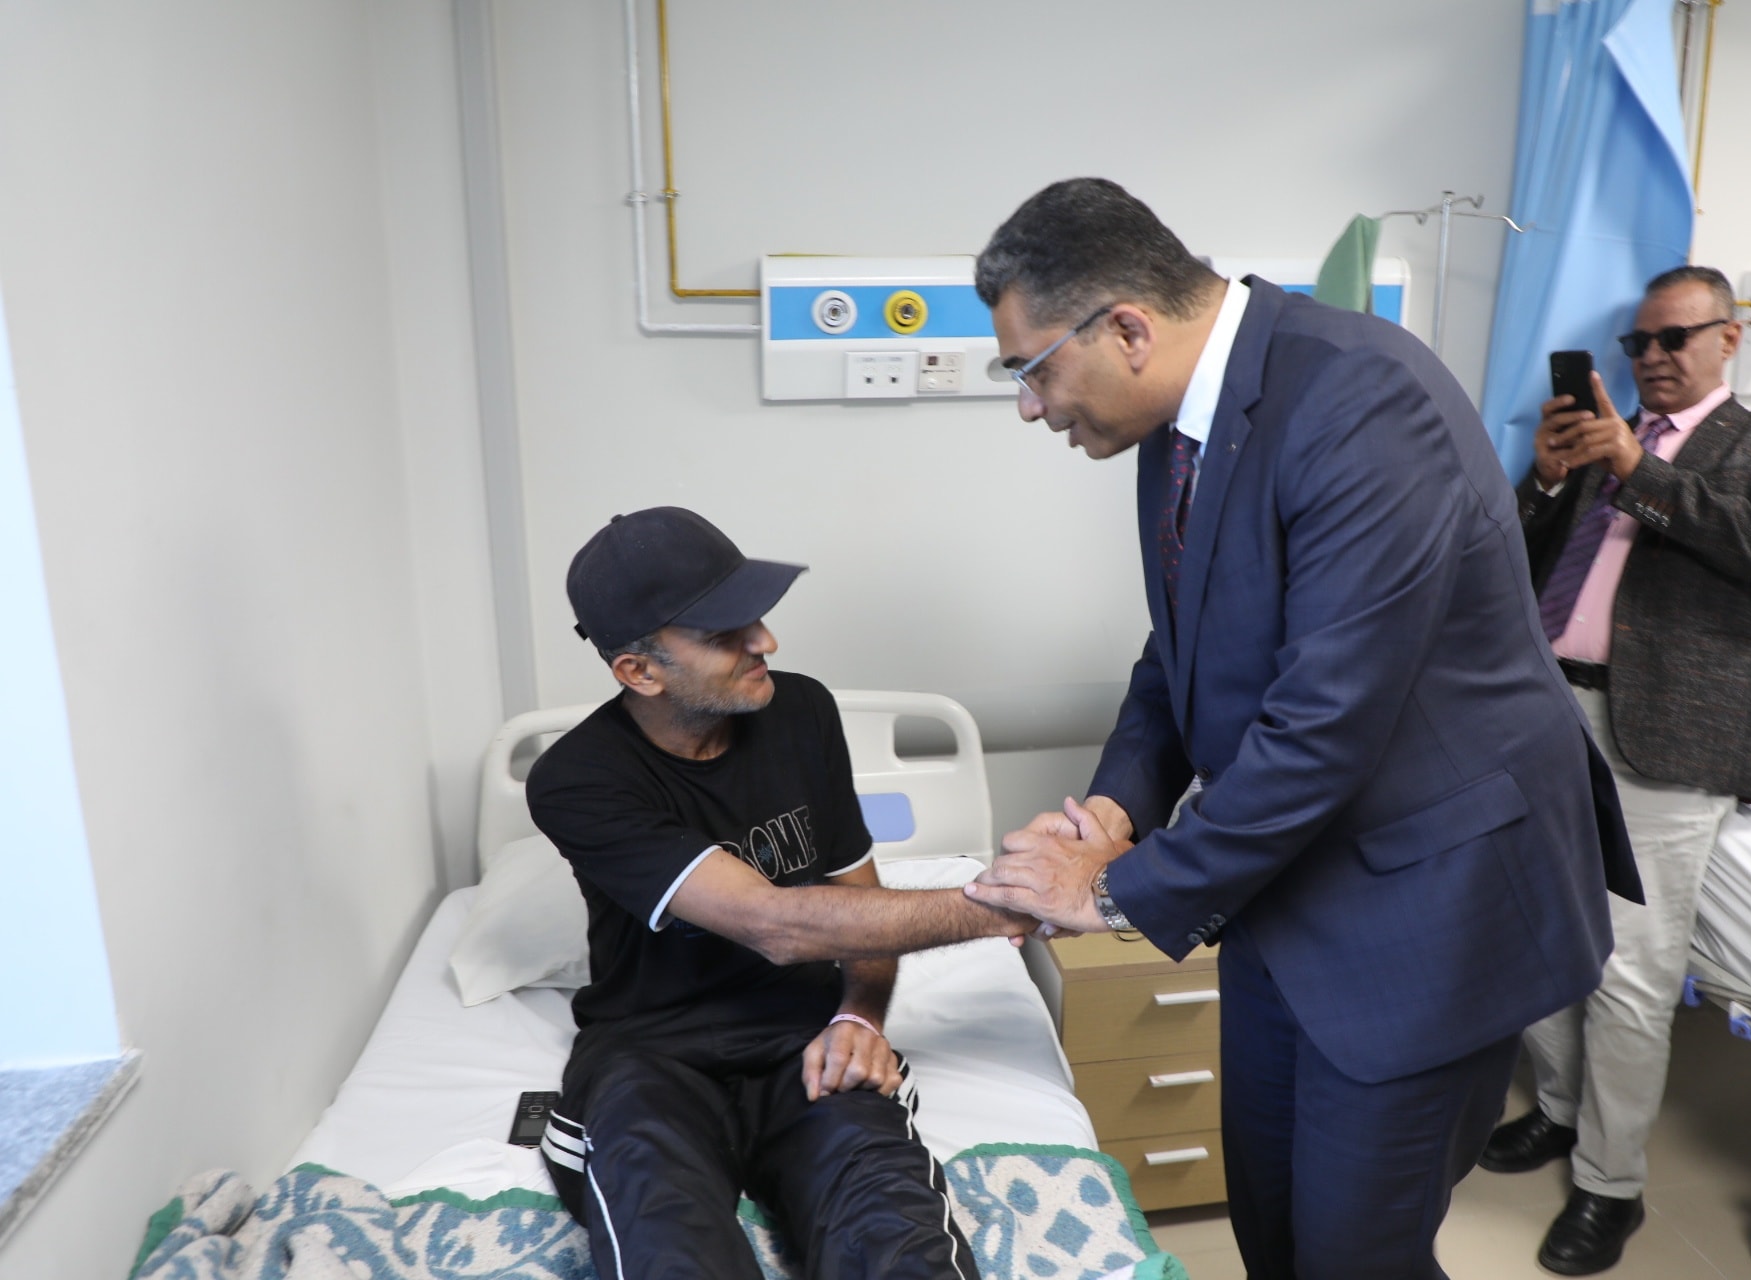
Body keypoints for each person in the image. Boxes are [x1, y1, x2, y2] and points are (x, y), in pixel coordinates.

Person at [959, 177, 1642, 1280]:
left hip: (1428, 908)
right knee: (1273, 1232)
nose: (1030, 407)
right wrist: (1113, 811)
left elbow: (1327, 719)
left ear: (1127, 329)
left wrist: (1115, 890)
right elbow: (1177, 651)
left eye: (1030, 369)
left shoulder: (1362, 400)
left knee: (1355, 1256)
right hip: (1289, 895)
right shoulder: (1180, 428)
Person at [526, 507, 1034, 1280]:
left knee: (897, 1239)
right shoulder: (577, 779)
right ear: (639, 671)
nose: (765, 640)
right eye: (725, 633)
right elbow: (775, 925)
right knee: (670, 1248)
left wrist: (859, 1013)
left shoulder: (800, 711)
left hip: (807, 1042)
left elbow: (857, 898)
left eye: (756, 616)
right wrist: (1006, 905)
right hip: (652, 1055)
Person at [1478, 265, 1751, 1275]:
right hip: (1549, 711)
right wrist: (1549, 480)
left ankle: (1611, 1182)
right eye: (1640, 343)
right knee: (1534, 934)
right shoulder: (1600, 438)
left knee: (1629, 971)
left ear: (1730, 336)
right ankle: (1558, 1110)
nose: (1654, 357)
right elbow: (1511, 563)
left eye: (1676, 338)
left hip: (1669, 735)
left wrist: (1639, 467)